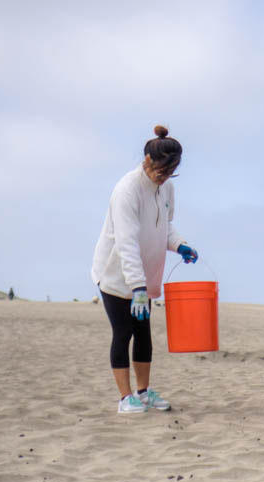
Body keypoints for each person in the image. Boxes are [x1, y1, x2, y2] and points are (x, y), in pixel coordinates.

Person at [91, 125, 198, 414]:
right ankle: (126, 398)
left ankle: (144, 391)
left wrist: (180, 245)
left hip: (145, 277)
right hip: (116, 276)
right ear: (148, 161)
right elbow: (126, 243)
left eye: (170, 173)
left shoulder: (166, 188)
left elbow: (164, 227)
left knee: (144, 334)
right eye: (160, 171)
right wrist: (137, 288)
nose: (163, 178)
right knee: (123, 333)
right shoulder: (127, 189)